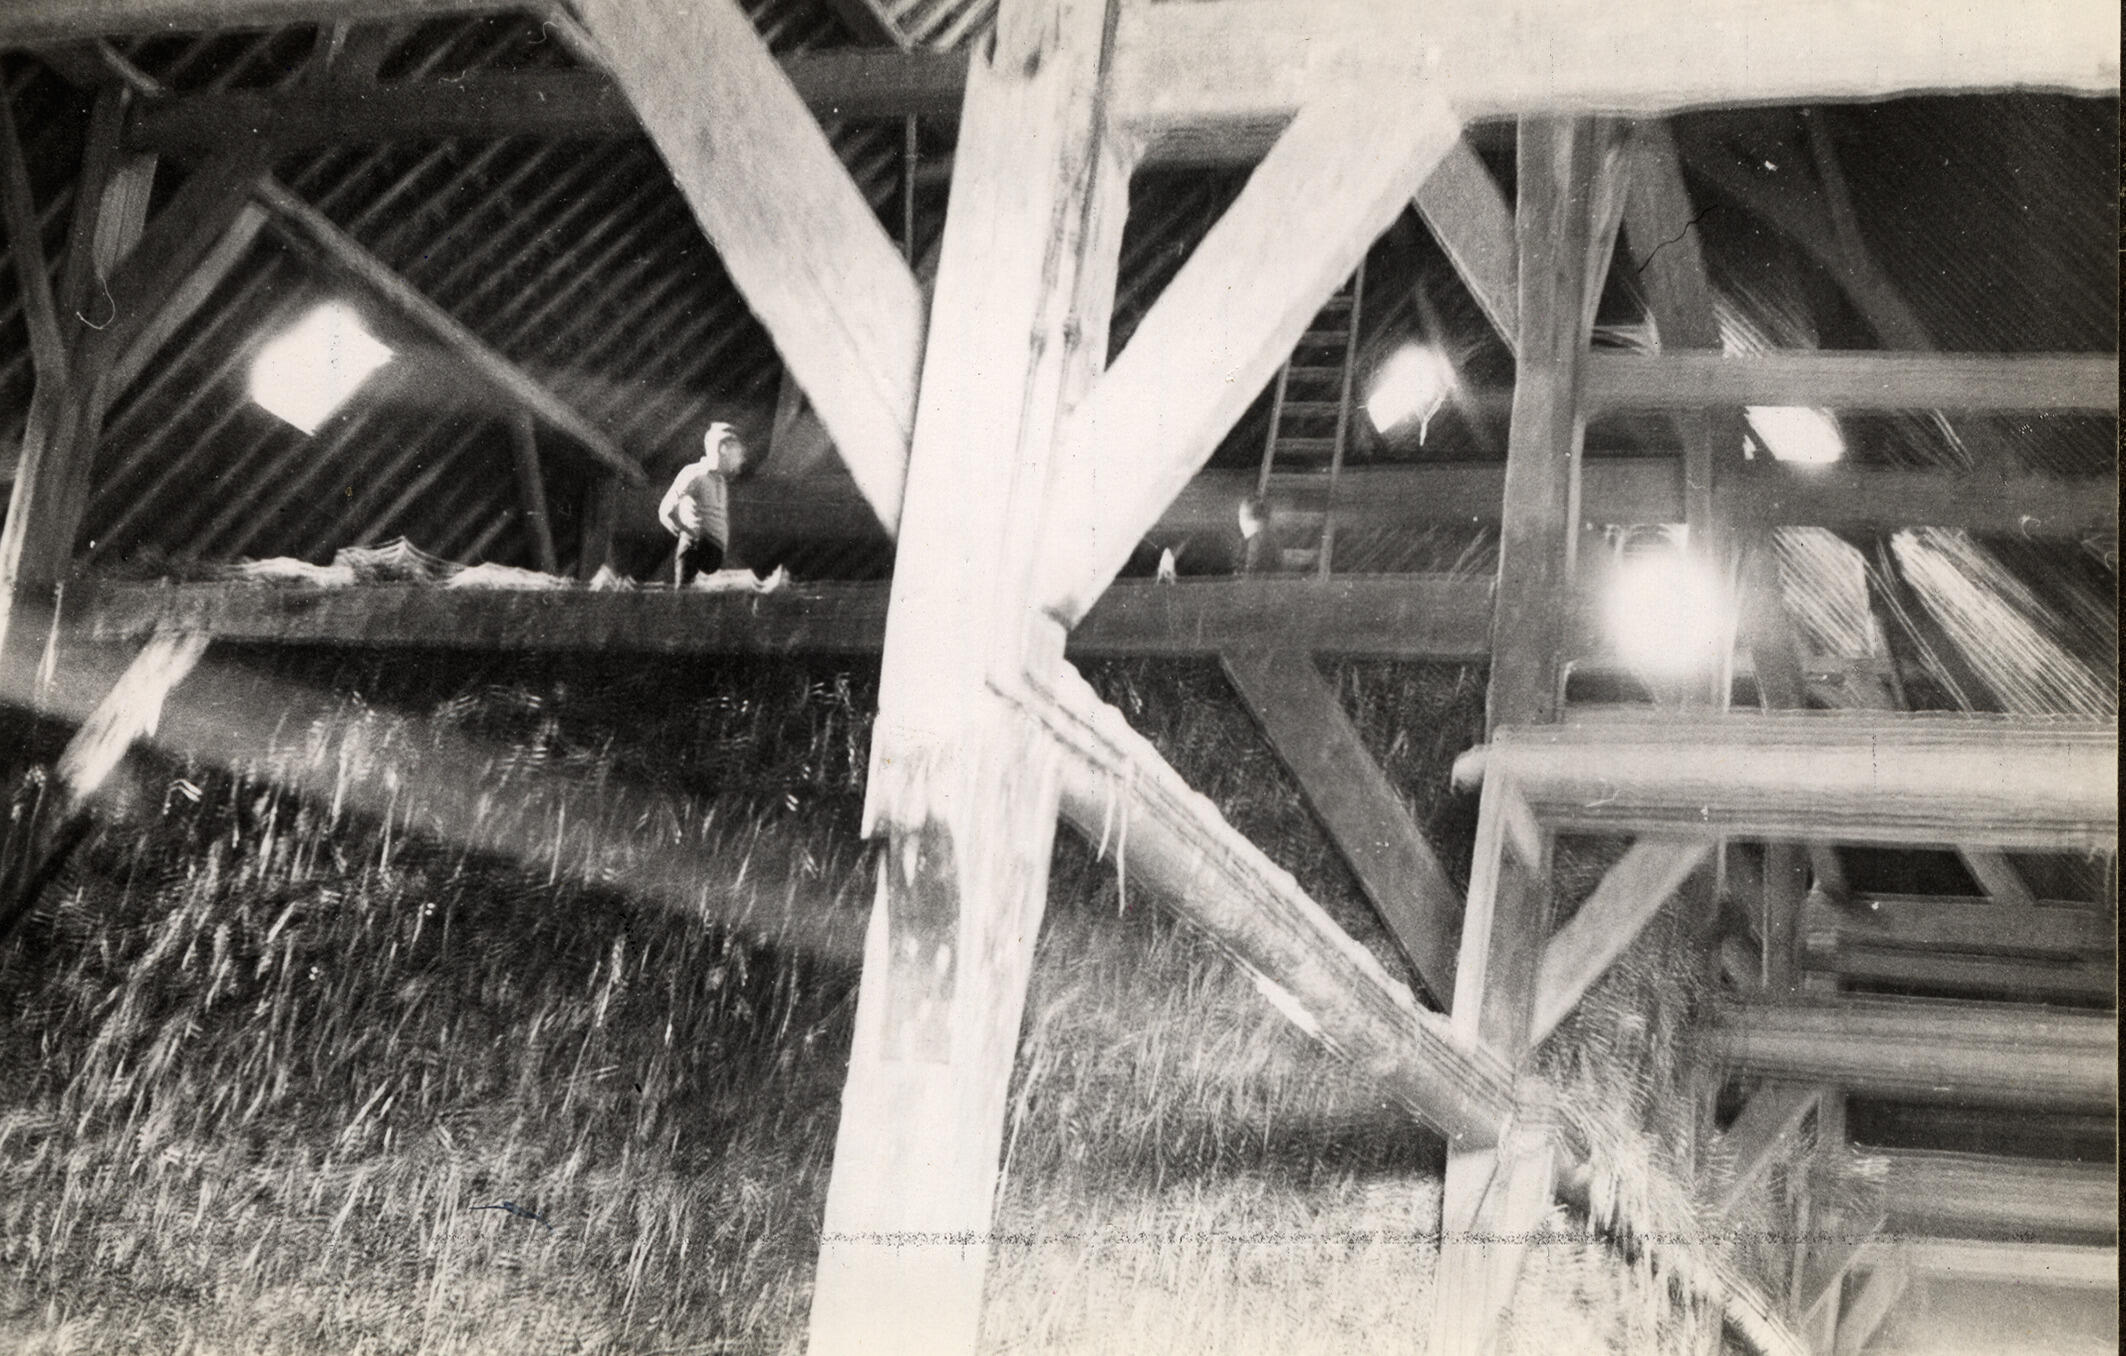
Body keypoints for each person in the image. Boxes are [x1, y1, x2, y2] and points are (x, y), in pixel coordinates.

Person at [658, 422, 746, 584]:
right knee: (686, 597)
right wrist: (688, 534)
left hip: (715, 553)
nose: (741, 458)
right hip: (696, 550)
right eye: (738, 452)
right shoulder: (694, 473)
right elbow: (665, 510)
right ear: (723, 448)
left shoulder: (721, 481)